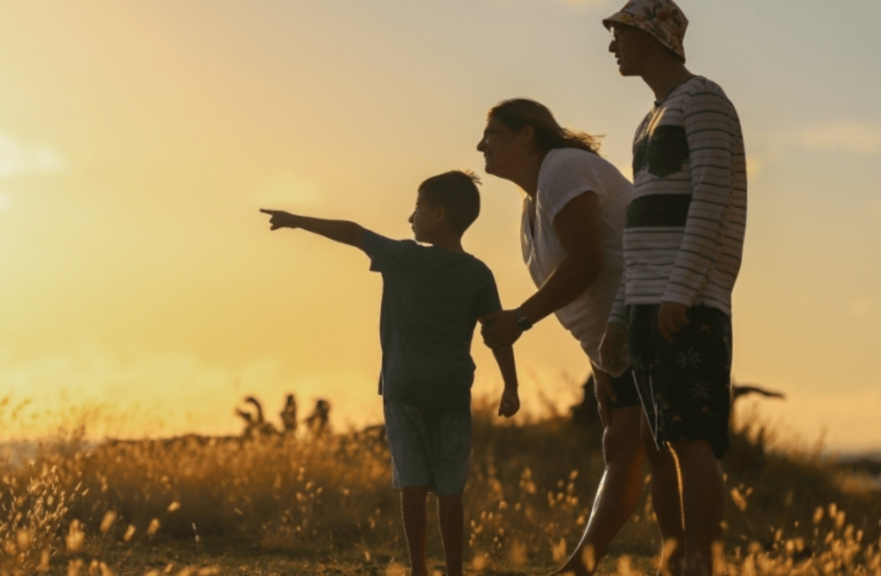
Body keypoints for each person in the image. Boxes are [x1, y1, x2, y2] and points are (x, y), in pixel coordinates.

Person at [261, 171, 520, 576]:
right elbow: (497, 333)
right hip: (452, 392)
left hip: (404, 389)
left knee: (412, 485)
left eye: (417, 208)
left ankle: (418, 570)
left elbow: (352, 232)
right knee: (451, 491)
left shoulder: (404, 256)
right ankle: (455, 572)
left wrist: (297, 219)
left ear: (438, 214)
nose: (410, 217)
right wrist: (511, 384)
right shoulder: (478, 273)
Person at [476, 98, 683, 575]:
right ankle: (608, 565)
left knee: (654, 446)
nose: (481, 145)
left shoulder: (563, 169)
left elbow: (588, 260)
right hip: (617, 338)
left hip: (648, 316)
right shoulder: (535, 200)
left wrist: (520, 319)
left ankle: (664, 562)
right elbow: (591, 277)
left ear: (527, 135)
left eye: (493, 134)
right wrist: (598, 363)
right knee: (625, 447)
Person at [600, 2, 747, 574]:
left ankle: (701, 565)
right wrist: (619, 314)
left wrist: (681, 290)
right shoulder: (650, 118)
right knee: (659, 444)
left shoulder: (705, 101)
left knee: (691, 441)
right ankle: (677, 561)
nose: (612, 45)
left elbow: (713, 199)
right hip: (646, 302)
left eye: (620, 34)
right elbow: (639, 228)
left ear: (652, 38)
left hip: (685, 303)